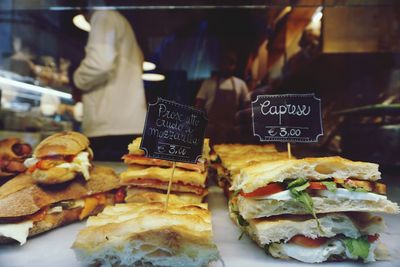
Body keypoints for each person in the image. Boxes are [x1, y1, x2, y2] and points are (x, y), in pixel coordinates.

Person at [73, 9, 147, 161]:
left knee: (105, 181)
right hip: (126, 126)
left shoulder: (103, 15)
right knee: (129, 181)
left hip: (108, 129)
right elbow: (140, 62)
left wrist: (78, 80)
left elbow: (100, 64)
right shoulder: (121, 23)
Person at [195, 53, 250, 144]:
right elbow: (198, 106)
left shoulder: (240, 84)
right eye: (224, 63)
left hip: (231, 131)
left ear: (234, 66)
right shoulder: (208, 83)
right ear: (220, 65)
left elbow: (247, 108)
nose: (227, 67)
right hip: (210, 130)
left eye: (230, 64)